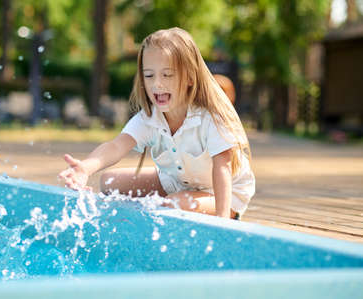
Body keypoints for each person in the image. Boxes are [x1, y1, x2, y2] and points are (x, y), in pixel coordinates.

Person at [58, 27, 255, 219]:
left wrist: (222, 221)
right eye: (149, 75)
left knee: (171, 205)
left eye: (167, 75)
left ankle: (176, 205)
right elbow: (116, 146)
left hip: (221, 193)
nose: (156, 84)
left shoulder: (210, 117)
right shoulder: (150, 117)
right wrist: (85, 168)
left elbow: (223, 167)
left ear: (189, 77)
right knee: (109, 181)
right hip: (176, 182)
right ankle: (163, 205)